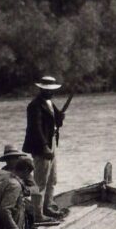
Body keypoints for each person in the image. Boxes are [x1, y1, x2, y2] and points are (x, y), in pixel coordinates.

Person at [22, 75, 66, 220]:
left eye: (52, 90)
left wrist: (60, 118)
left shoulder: (49, 103)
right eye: (48, 90)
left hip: (51, 143)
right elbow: (36, 129)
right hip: (41, 146)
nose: (51, 92)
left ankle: (47, 207)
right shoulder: (35, 106)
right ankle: (38, 213)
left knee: (52, 179)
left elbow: (54, 123)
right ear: (41, 89)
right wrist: (44, 147)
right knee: (40, 181)